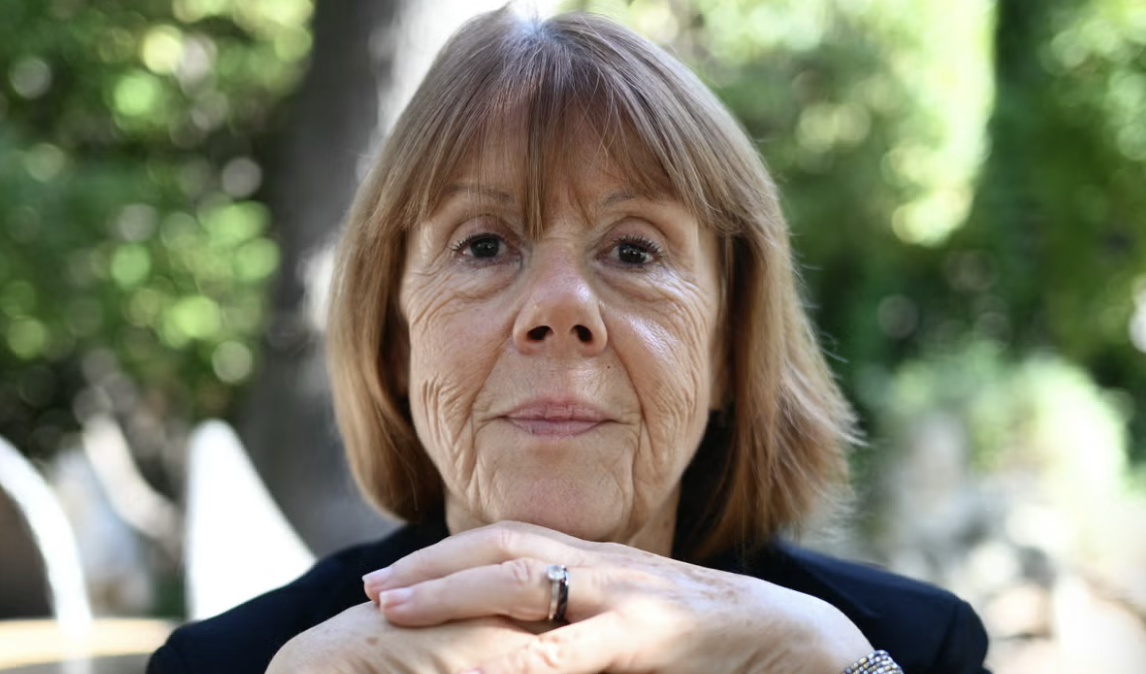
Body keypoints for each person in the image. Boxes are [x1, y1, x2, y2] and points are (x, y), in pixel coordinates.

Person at [149, 7, 990, 674]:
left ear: (728, 350)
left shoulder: (901, 651)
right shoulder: (233, 666)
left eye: (634, 251)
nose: (558, 308)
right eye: (484, 245)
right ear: (397, 342)